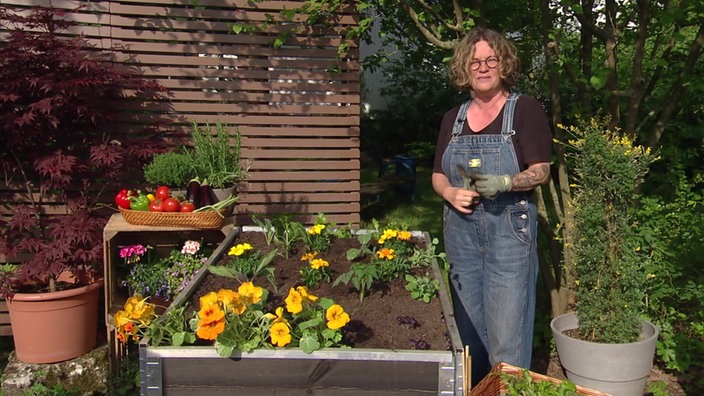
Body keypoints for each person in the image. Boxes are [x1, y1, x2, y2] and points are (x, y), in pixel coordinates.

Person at [431, 27, 552, 386]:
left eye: (490, 60)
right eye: (474, 61)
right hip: (461, 232)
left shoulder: (524, 109)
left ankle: (507, 391)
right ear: (464, 68)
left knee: (507, 334)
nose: (482, 68)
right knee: (468, 333)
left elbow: (542, 169)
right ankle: (474, 391)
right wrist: (450, 194)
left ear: (503, 64)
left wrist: (507, 182)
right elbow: (438, 174)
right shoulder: (452, 118)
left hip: (508, 231)